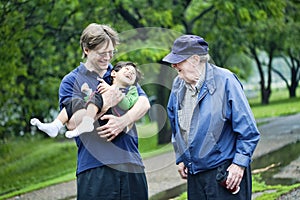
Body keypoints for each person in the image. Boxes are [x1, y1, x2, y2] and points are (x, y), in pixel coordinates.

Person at [53, 23, 150, 200]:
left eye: (111, 52)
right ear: (86, 50)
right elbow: (73, 123)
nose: (108, 58)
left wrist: (122, 122)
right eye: (102, 53)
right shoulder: (71, 81)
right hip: (94, 167)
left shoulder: (119, 73)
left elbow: (143, 103)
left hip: (131, 163)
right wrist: (104, 103)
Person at [163, 35, 260, 200]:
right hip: (194, 174)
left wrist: (238, 164)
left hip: (224, 172)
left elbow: (248, 130)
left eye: (179, 60)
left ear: (194, 59)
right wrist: (181, 157)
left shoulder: (226, 80)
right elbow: (176, 124)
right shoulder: (178, 85)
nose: (174, 65)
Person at [30, 61, 141, 139]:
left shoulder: (132, 89)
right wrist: (87, 93)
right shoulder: (104, 85)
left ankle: (86, 124)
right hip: (100, 117)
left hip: (116, 119)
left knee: (98, 98)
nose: (130, 73)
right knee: (76, 102)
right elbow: (92, 101)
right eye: (127, 69)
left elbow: (126, 104)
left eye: (133, 74)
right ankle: (56, 125)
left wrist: (111, 90)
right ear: (113, 73)